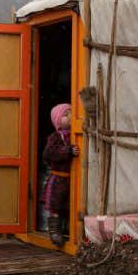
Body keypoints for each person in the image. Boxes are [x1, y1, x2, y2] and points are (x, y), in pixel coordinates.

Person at [41, 102, 77, 247]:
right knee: (55, 207)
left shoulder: (76, 135)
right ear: (57, 121)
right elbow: (49, 153)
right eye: (65, 115)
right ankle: (55, 232)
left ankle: (68, 230)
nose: (69, 117)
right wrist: (67, 151)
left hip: (71, 179)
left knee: (69, 205)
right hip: (58, 179)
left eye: (71, 113)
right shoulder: (55, 137)